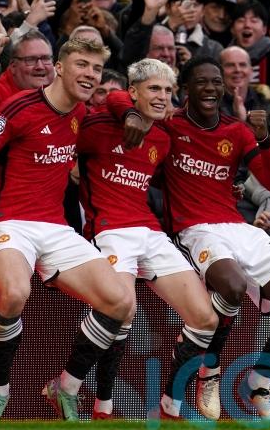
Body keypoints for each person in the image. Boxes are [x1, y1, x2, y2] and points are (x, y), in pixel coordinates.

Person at [110, 56, 270, 421]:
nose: (210, 88)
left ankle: (260, 382)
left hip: (237, 226)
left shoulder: (236, 130)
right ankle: (210, 370)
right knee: (231, 286)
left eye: (216, 82)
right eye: (202, 82)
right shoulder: (170, 124)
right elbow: (118, 98)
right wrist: (129, 114)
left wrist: (264, 137)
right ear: (185, 89)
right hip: (195, 228)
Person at [0, 38, 134, 423]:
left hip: (56, 227)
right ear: (59, 67)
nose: (90, 75)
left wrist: (125, 107)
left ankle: (66, 386)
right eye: (82, 65)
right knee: (15, 294)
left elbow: (121, 101)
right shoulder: (20, 106)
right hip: (11, 222)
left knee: (121, 303)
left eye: (96, 69)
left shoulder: (82, 113)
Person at [78, 58, 217, 420]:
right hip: (109, 230)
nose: (162, 96)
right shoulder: (98, 125)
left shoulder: (163, 138)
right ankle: (101, 407)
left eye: (168, 90)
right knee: (123, 311)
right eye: (154, 88)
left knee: (205, 318)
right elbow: (108, 102)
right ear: (133, 92)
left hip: (151, 232)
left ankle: (171, 407)